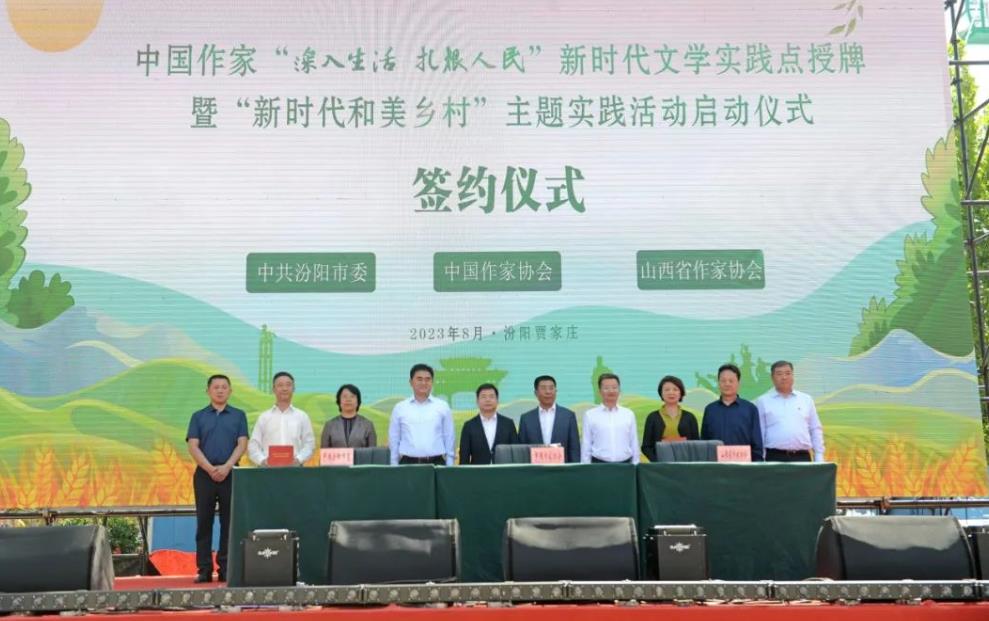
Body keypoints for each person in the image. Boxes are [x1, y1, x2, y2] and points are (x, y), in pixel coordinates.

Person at [185, 374, 248, 584]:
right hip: (205, 474)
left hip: (231, 474)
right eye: (216, 387)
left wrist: (227, 466)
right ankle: (204, 569)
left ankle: (226, 568)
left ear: (230, 391)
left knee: (229, 522)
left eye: (224, 387)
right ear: (208, 391)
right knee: (204, 522)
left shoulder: (238, 415)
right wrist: (210, 468)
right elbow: (193, 445)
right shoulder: (198, 416)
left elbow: (242, 444)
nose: (220, 390)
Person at [755, 361, 825, 462]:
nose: (784, 377)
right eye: (779, 374)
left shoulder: (806, 399)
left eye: (788, 373)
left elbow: (815, 429)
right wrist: (761, 458)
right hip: (774, 457)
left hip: (802, 457)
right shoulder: (763, 401)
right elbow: (760, 432)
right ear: (772, 377)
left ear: (793, 376)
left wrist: (819, 456)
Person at [389, 363, 454, 465]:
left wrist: (449, 465)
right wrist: (394, 464)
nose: (424, 383)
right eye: (419, 379)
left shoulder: (442, 406)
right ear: (411, 382)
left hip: (436, 463)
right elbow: (394, 438)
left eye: (428, 379)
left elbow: (449, 436)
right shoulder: (400, 408)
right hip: (407, 463)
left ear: (432, 382)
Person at [247, 371, 315, 466]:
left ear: (293, 388)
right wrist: (263, 461)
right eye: (280, 385)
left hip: (295, 469)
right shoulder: (264, 417)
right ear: (273, 389)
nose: (284, 388)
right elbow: (253, 445)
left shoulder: (302, 416)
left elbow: (309, 444)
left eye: (288, 385)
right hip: (268, 470)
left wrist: (298, 460)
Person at [700, 363, 764, 461]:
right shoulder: (710, 410)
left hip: (743, 465)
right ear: (718, 383)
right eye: (723, 381)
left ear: (738, 383)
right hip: (715, 465)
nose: (727, 384)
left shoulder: (750, 409)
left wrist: (756, 464)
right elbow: (704, 442)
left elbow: (756, 442)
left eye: (731, 381)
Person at [518, 375, 581, 462]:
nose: (548, 392)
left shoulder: (568, 416)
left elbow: (574, 448)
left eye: (551, 388)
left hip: (562, 468)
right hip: (535, 468)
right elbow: (522, 449)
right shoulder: (526, 419)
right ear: (536, 393)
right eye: (543, 388)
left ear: (556, 391)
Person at [581, 373, 640, 464]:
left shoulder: (628, 414)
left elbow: (634, 442)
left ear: (619, 391)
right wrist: (585, 467)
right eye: (606, 388)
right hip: (599, 465)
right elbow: (586, 444)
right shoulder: (590, 415)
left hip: (625, 465)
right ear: (599, 392)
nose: (611, 391)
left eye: (614, 387)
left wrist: (636, 465)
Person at [640, 375, 700, 462]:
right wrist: (658, 462)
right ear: (661, 393)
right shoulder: (652, 417)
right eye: (667, 390)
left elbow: (696, 445)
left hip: (685, 464)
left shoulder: (690, 417)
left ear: (681, 393)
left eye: (675, 389)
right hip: (660, 465)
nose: (671, 393)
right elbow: (646, 447)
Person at [458, 383, 519, 465]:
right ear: (477, 401)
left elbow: (515, 452)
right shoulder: (469, 426)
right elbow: (464, 456)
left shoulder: (508, 424)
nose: (487, 400)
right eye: (483, 397)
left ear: (497, 401)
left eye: (491, 396)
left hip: (503, 471)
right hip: (478, 471)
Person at [320, 384, 377, 448]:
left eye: (352, 396)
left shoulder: (367, 425)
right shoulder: (329, 425)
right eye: (345, 396)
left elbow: (372, 451)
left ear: (358, 401)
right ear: (339, 401)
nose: (348, 399)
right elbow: (324, 451)